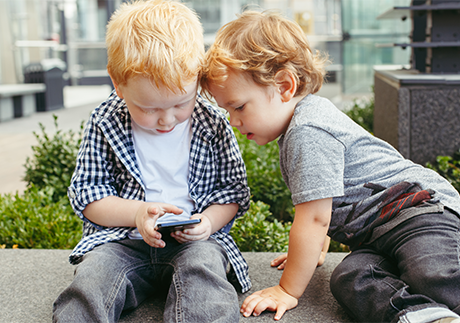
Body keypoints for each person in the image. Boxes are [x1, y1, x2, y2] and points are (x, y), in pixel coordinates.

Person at [200, 9, 460, 323]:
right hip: (378, 237)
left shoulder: (308, 130)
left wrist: (288, 289)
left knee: (434, 276)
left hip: (418, 212)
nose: (233, 120)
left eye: (239, 106)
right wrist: (314, 253)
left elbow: (314, 218)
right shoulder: (298, 127)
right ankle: (422, 316)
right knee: (351, 276)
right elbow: (328, 201)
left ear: (284, 86)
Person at [52, 1, 251, 322]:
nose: (166, 119)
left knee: (205, 279)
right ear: (117, 83)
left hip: (194, 243)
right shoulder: (105, 121)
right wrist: (137, 213)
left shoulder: (212, 121)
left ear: (197, 79)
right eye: (148, 108)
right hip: (122, 241)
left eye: (181, 103)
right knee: (89, 284)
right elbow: (89, 196)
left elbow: (231, 194)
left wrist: (208, 224)